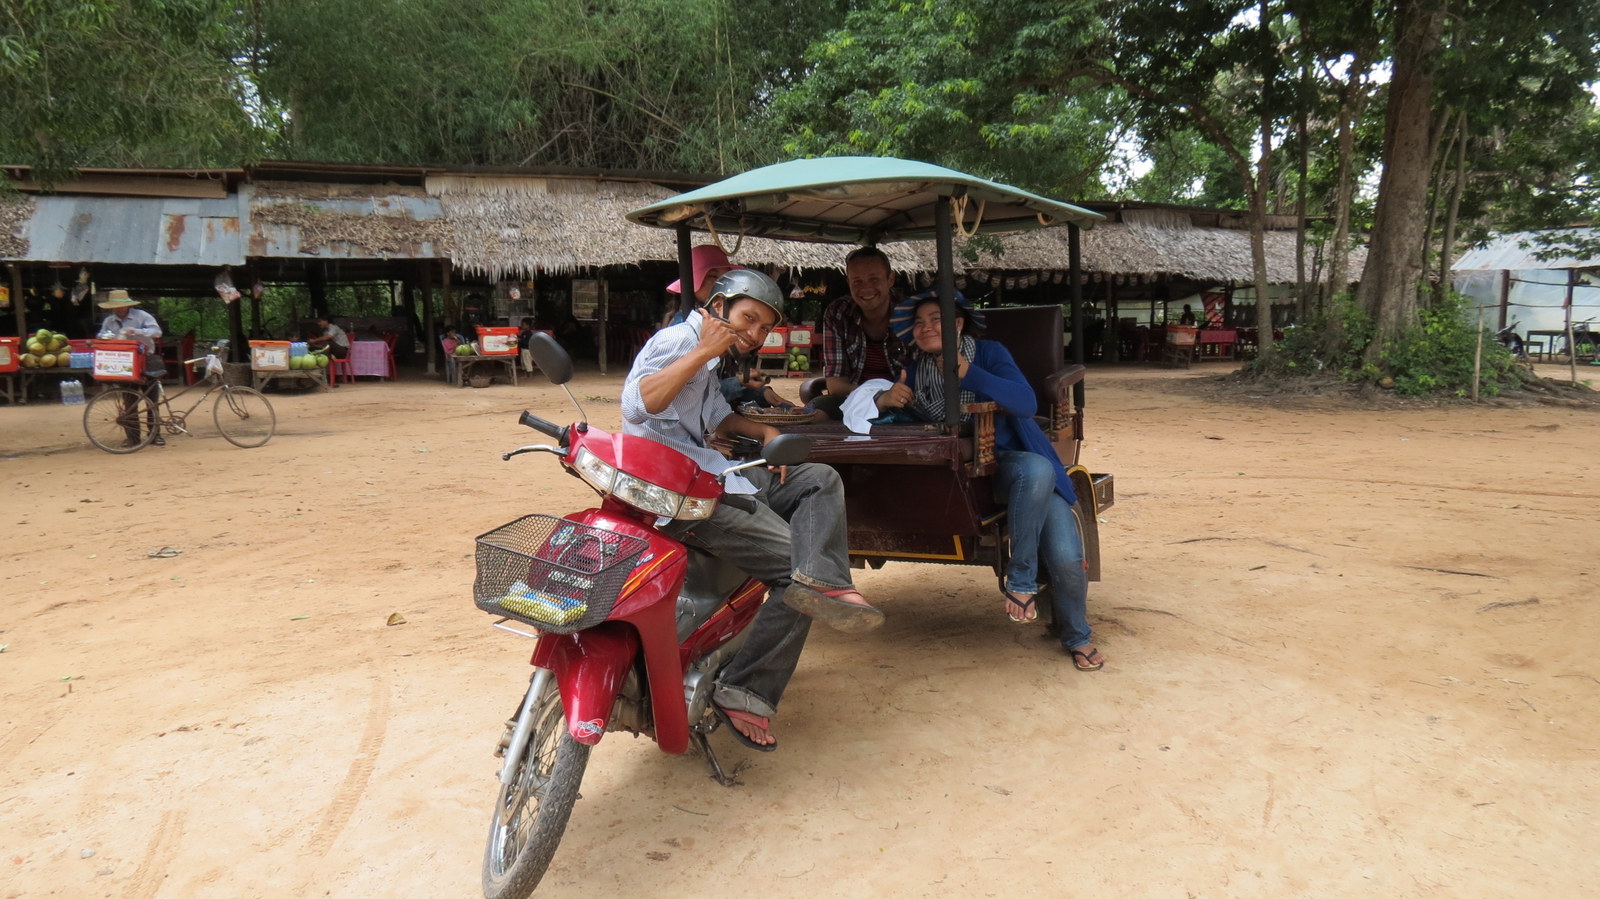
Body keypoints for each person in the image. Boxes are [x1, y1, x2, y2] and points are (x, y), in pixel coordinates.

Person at [621, 268, 884, 749]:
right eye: (748, 319)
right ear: (719, 307)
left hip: (715, 476)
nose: (756, 334)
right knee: (799, 579)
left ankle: (830, 580)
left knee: (818, 478)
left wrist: (763, 432)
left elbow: (716, 416)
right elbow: (638, 404)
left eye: (764, 327)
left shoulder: (708, 358)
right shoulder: (680, 342)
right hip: (680, 498)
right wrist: (703, 350)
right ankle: (746, 691)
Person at [874, 290, 1104, 671]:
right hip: (962, 473)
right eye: (918, 323)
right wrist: (885, 399)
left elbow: (1026, 403)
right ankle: (1027, 585)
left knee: (1063, 551)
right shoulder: (913, 371)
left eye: (936, 320)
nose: (926, 328)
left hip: (1011, 463)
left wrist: (968, 373)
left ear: (957, 324)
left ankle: (1059, 618)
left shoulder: (990, 352)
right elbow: (887, 416)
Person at [818, 246, 913, 399]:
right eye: (857, 281)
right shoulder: (837, 313)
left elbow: (925, 380)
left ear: (890, 279)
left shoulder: (912, 313)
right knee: (817, 408)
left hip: (906, 399)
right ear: (848, 283)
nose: (866, 288)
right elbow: (836, 384)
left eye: (874, 279)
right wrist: (878, 398)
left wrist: (892, 398)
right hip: (854, 400)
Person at [96, 289, 166, 447]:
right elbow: (101, 336)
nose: (120, 309)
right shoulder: (109, 321)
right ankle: (133, 437)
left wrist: (137, 331)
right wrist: (106, 337)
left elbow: (157, 332)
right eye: (116, 307)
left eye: (122, 306)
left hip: (146, 359)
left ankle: (155, 434)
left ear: (128, 305)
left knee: (151, 400)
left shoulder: (142, 316)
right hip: (124, 362)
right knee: (129, 401)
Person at [661, 244, 742, 328]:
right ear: (693, 281)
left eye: (725, 277)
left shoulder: (726, 315)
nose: (721, 283)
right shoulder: (683, 324)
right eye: (713, 276)